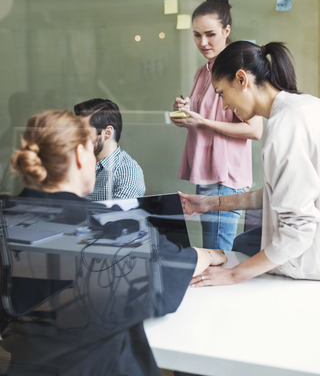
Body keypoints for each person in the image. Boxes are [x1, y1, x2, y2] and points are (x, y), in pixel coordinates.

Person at [2, 109, 226, 375]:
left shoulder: (7, 218)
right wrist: (212, 255)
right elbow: (172, 268)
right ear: (78, 155)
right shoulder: (110, 226)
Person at [180, 40, 320, 287]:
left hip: (307, 260)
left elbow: (299, 231)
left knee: (241, 246)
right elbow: (275, 195)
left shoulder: (283, 127)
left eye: (222, 93)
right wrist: (207, 203)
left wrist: (234, 275)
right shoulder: (306, 105)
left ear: (242, 80)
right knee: (243, 242)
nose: (224, 105)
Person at [171, 0, 263, 250]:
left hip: (226, 179)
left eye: (210, 34)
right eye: (197, 35)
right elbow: (204, 116)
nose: (203, 42)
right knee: (213, 253)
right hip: (206, 176)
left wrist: (202, 122)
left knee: (218, 256)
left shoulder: (239, 72)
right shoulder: (203, 71)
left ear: (226, 30)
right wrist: (185, 111)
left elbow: (254, 130)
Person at [74, 98, 146, 201]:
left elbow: (122, 214)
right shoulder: (76, 161)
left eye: (83, 133)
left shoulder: (127, 171)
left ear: (107, 133)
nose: (76, 137)